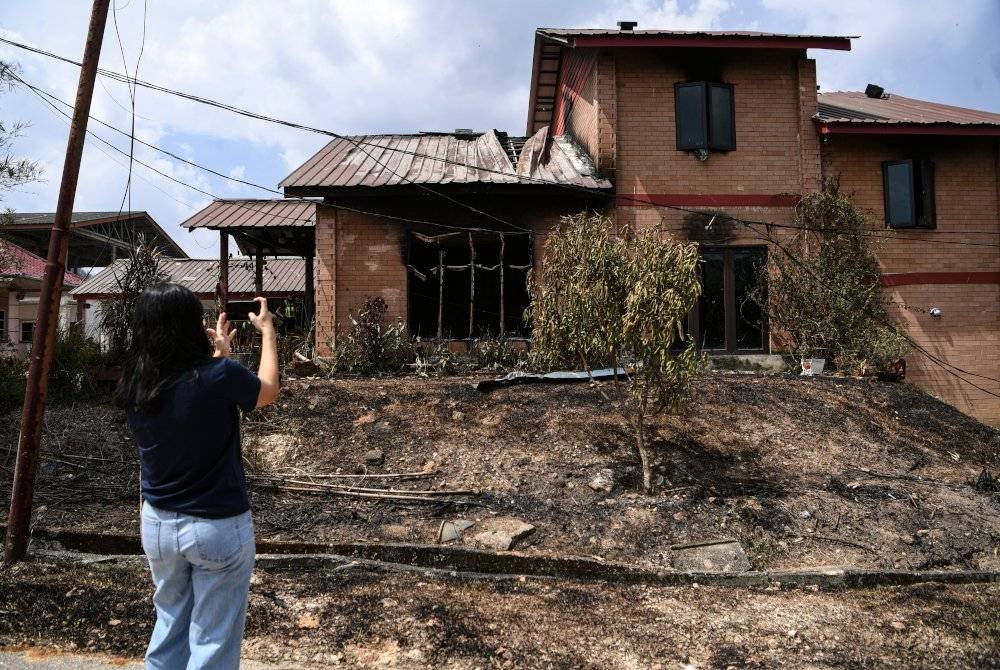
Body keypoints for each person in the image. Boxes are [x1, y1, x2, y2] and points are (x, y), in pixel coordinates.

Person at [115, 283, 280, 669]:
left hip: (157, 525)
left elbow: (194, 393)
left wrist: (222, 357)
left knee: (169, 627)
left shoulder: (137, 383)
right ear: (190, 326)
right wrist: (268, 332)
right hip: (216, 526)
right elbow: (268, 391)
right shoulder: (220, 376)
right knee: (213, 642)